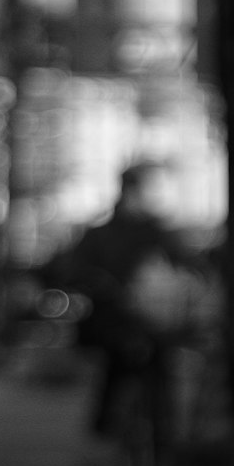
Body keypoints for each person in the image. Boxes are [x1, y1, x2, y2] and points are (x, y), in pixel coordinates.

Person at [54, 164, 184, 447]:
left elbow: (184, 267)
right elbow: (74, 271)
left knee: (159, 367)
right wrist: (97, 286)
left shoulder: (157, 233)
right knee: (118, 366)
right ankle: (111, 426)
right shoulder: (105, 234)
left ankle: (162, 430)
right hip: (115, 320)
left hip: (154, 318)